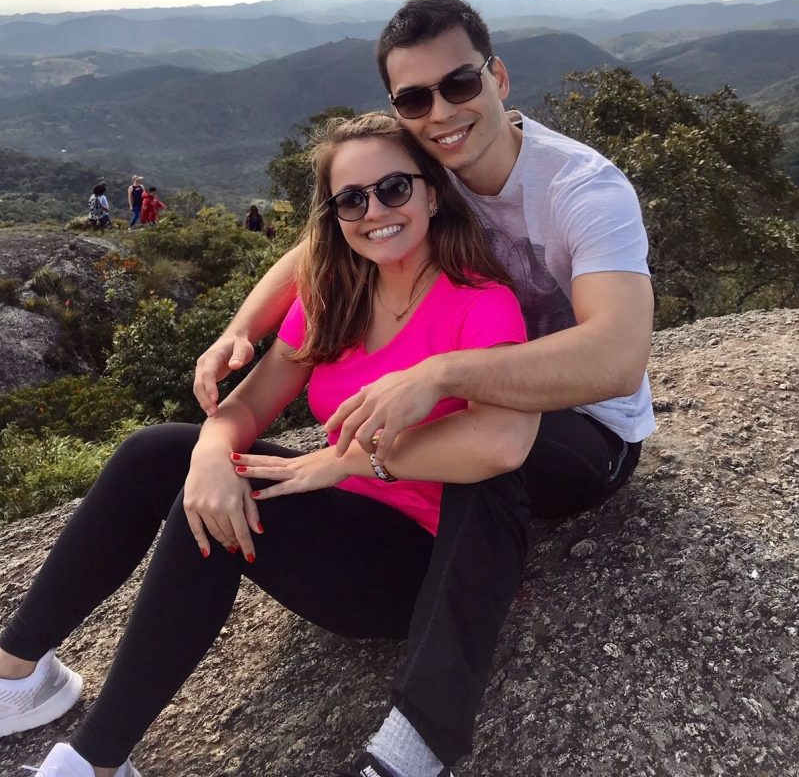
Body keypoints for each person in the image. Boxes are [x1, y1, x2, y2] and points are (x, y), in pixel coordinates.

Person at [192, 0, 655, 774]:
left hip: (588, 430)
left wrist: (437, 372)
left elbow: (615, 354)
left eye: (459, 84)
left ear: (497, 76)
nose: (441, 111)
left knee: (484, 452)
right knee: (474, 431)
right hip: (488, 401)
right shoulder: (425, 166)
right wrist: (245, 324)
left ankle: (419, 739)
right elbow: (324, 241)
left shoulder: (583, 189)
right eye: (414, 98)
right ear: (397, 110)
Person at [0, 113, 538, 777]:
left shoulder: (479, 303)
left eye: (394, 188)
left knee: (234, 502)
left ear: (432, 192)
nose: (374, 211)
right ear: (333, 215)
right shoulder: (334, 292)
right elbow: (251, 404)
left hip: (410, 569)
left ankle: (97, 761)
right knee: (154, 452)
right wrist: (207, 454)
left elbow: (500, 444)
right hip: (341, 515)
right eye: (351, 199)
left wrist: (340, 461)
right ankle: (15, 672)